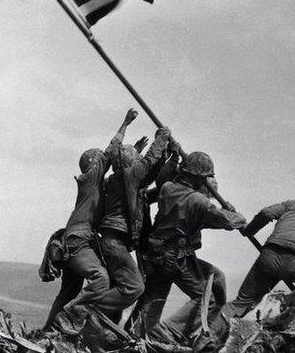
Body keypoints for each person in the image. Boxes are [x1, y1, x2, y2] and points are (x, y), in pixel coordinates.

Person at [127, 152, 247, 343]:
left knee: (156, 295)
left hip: (157, 253)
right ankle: (170, 332)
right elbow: (228, 222)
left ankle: (132, 335)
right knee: (209, 297)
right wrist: (236, 215)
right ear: (199, 177)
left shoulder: (167, 189)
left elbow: (196, 217)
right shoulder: (198, 202)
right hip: (176, 257)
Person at [198, 195, 295, 350]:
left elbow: (266, 213)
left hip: (268, 258)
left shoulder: (293, 205)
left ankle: (206, 337)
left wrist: (249, 230)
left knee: (240, 303)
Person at [44, 109, 138, 332]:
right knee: (100, 278)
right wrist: (125, 124)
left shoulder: (92, 185)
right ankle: (70, 316)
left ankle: (47, 331)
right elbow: (111, 150)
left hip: (74, 241)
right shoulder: (91, 179)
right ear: (94, 164)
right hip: (79, 241)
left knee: (68, 292)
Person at [76, 125, 172, 324]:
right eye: (136, 159)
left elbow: (150, 177)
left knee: (121, 288)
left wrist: (168, 157)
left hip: (114, 242)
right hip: (115, 242)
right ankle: (83, 308)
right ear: (131, 163)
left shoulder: (122, 181)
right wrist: (161, 138)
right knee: (134, 287)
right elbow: (148, 163)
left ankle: (97, 324)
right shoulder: (129, 176)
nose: (140, 162)